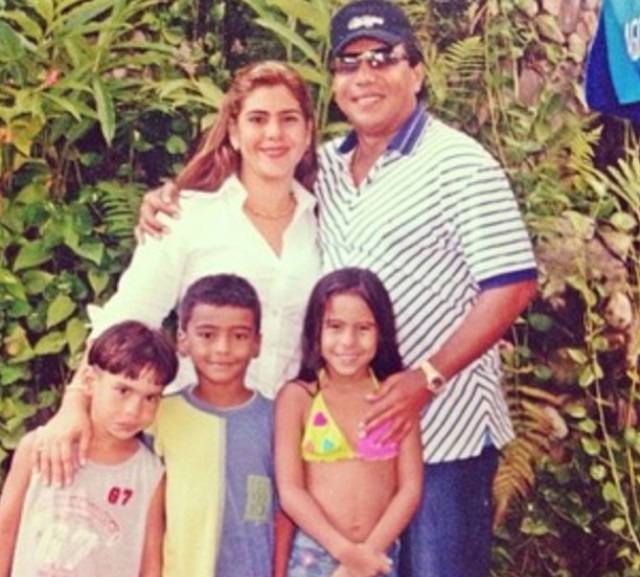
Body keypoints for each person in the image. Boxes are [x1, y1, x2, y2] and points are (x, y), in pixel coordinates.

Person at [34, 60, 321, 487]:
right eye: (258, 119)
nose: (274, 133)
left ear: (308, 132)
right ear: (234, 132)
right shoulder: (187, 216)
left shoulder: (323, 220)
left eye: (289, 119)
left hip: (285, 443)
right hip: (191, 436)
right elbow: (130, 315)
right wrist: (75, 401)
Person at [275, 267, 423, 577]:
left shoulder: (395, 395)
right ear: (315, 329)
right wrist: (346, 553)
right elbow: (290, 490)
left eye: (363, 328)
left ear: (382, 331)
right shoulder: (298, 397)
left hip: (378, 555)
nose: (348, 341)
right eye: (335, 326)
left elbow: (410, 487)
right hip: (316, 555)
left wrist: (368, 555)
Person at [0, 321, 178, 577]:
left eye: (150, 397)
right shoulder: (37, 448)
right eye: (123, 390)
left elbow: (150, 565)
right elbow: (5, 533)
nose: (133, 410)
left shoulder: (149, 474)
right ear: (90, 381)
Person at [148, 273, 283, 577]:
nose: (223, 348)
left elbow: (282, 511)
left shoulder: (276, 419)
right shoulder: (160, 416)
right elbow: (148, 516)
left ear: (257, 343)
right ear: (183, 340)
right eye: (207, 335)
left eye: (239, 336)